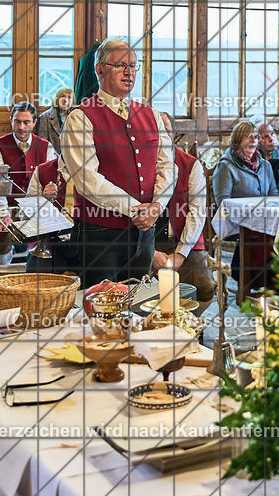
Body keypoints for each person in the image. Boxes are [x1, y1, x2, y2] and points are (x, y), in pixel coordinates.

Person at [60, 37, 175, 286]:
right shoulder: (80, 117)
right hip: (99, 234)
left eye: (133, 66)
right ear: (100, 69)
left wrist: (157, 206)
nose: (129, 72)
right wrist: (136, 209)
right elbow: (87, 179)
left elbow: (167, 166)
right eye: (121, 65)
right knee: (100, 304)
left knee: (139, 299)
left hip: (144, 233)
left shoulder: (152, 115)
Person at [153, 113, 214, 312]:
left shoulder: (191, 165)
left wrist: (180, 254)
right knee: (140, 291)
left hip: (184, 239)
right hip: (148, 243)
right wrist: (150, 252)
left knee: (205, 287)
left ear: (174, 134)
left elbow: (197, 213)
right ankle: (154, 324)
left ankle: (187, 322)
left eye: (166, 131)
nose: (161, 136)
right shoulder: (136, 165)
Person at [213, 121, 278, 293]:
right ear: (237, 140)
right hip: (237, 223)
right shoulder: (226, 166)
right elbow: (223, 203)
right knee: (262, 236)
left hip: (264, 220)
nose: (253, 141)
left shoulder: (265, 165)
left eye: (256, 137)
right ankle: (254, 282)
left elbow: (274, 195)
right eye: (248, 137)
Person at [36, 87, 74, 154]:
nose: (66, 100)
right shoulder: (45, 117)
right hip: (53, 156)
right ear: (57, 99)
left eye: (69, 97)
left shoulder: (75, 116)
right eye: (63, 96)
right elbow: (42, 144)